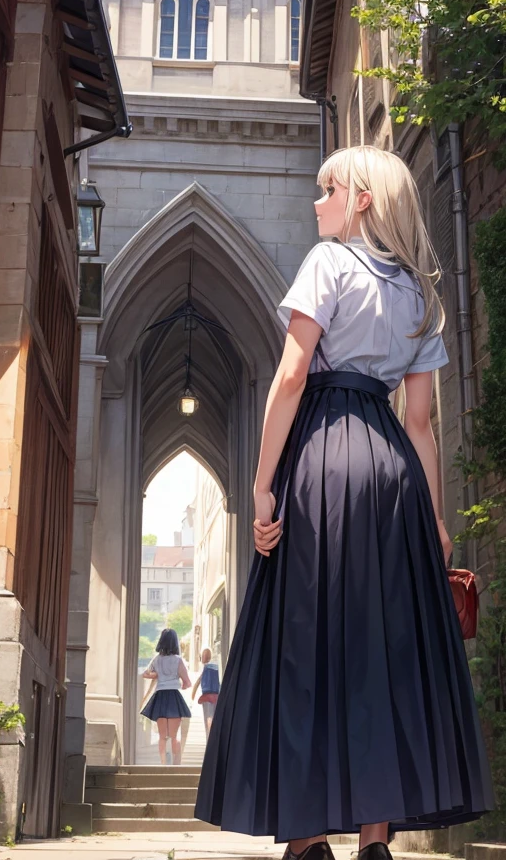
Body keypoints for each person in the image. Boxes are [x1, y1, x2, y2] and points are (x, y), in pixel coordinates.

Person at [195, 147, 494, 860]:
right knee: (382, 649)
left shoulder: (328, 263)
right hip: (391, 468)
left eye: (328, 189)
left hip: (323, 458)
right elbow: (421, 422)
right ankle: (375, 837)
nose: (317, 202)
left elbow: (293, 375)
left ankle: (305, 839)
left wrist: (264, 483)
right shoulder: (421, 294)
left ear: (362, 199)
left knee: (307, 641)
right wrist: (435, 519)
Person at [141, 628, 192, 765]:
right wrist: (181, 684)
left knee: (162, 736)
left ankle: (163, 764)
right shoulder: (178, 661)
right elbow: (187, 682)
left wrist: (156, 675)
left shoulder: (156, 660)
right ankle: (176, 764)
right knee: (174, 736)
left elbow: (145, 674)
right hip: (174, 698)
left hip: (160, 697)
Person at [191, 648, 221, 739]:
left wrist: (193, 695)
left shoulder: (206, 667)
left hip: (207, 696)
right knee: (214, 717)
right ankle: (213, 738)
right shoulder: (216, 666)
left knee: (208, 717)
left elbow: (198, 682)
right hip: (217, 695)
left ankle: (210, 739)